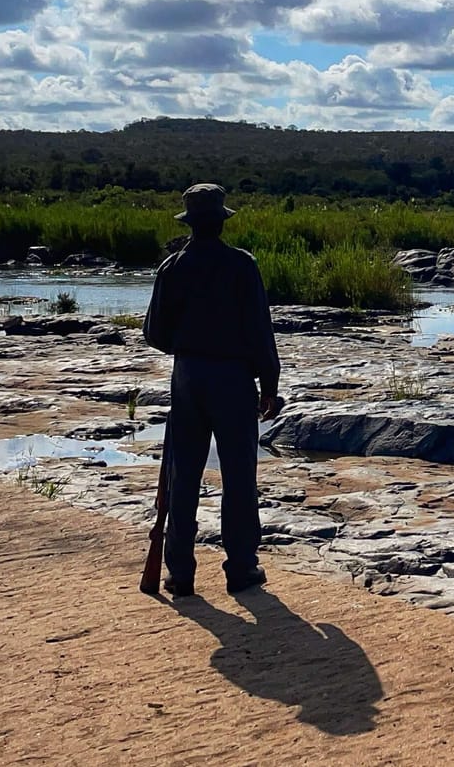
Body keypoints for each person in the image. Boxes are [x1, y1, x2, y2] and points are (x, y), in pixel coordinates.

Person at [142, 183, 283, 598]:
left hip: (187, 376)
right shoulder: (241, 265)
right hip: (233, 379)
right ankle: (241, 569)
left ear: (189, 223)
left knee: (181, 475)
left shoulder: (172, 267)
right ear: (221, 222)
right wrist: (269, 385)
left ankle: (179, 573)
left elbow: (153, 332)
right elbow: (260, 331)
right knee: (239, 476)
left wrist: (188, 352)